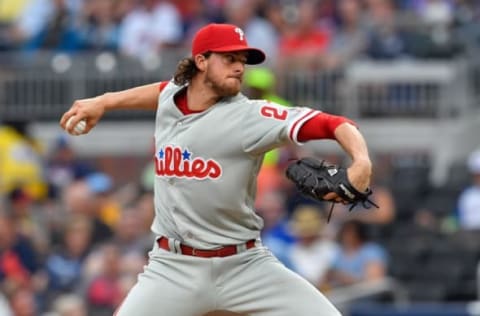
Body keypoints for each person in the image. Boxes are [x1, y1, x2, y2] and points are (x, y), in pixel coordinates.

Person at [60, 23, 373, 316]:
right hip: (172, 268)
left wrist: (361, 161)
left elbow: (335, 124)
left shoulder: (251, 117)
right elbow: (159, 92)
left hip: (244, 265)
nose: (239, 66)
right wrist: (103, 101)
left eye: (242, 60)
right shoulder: (172, 97)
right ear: (201, 61)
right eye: (229, 58)